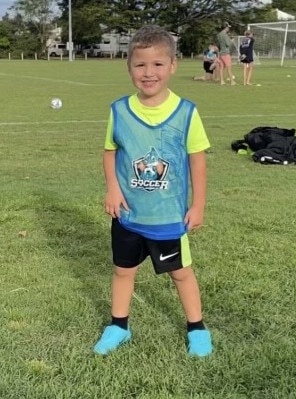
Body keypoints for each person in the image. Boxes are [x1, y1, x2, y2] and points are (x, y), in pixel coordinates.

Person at [93, 24, 213, 357]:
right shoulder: (119, 110)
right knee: (122, 271)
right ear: (129, 67)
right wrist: (112, 190)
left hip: (167, 216)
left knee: (181, 273)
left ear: (172, 66)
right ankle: (118, 325)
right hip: (128, 213)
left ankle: (197, 329)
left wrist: (198, 205)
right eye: (140, 64)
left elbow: (197, 161)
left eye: (157, 64)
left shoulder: (186, 113)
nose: (149, 73)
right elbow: (109, 150)